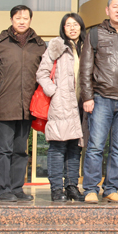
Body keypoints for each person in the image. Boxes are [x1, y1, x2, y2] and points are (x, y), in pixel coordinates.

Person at [80, 0, 118, 204]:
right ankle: (90, 189)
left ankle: (111, 189)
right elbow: (86, 68)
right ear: (107, 10)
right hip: (102, 97)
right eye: (115, 7)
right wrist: (87, 96)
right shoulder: (95, 34)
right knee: (96, 145)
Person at [0, 5, 46, 202]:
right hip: (4, 104)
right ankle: (2, 190)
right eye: (18, 18)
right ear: (11, 20)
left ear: (30, 20)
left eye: (25, 18)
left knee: (20, 151)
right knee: (3, 150)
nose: (22, 21)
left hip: (27, 106)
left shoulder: (39, 45)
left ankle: (16, 188)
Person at [36, 13, 86, 202]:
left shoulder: (86, 47)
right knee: (58, 147)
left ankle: (72, 186)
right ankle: (57, 189)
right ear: (63, 28)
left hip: (81, 104)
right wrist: (54, 92)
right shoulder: (56, 46)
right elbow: (42, 73)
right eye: (68, 25)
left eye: (76, 24)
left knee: (75, 147)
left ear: (81, 27)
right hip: (61, 104)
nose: (72, 28)